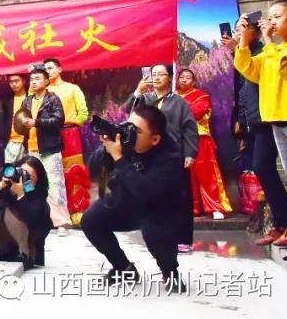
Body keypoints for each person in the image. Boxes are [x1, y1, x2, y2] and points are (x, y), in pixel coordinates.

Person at [81, 106, 187, 293]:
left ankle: (170, 272)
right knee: (91, 220)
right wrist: (107, 148)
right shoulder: (125, 141)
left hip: (160, 207)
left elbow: (146, 191)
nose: (128, 132)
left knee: (154, 231)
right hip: (127, 199)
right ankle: (124, 269)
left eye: (136, 130)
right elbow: (93, 169)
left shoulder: (170, 156)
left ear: (155, 139)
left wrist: (119, 158)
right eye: (127, 125)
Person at [231, 0, 287, 253]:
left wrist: (268, 41)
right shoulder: (271, 51)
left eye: (277, 16)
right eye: (270, 17)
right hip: (276, 120)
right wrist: (244, 41)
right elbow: (247, 68)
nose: (271, 21)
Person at [132, 63, 199, 253]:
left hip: (174, 155)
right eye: (154, 74)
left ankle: (183, 239)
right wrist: (137, 92)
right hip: (150, 155)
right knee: (153, 197)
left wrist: (190, 153)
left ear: (170, 78)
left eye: (161, 74)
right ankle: (158, 236)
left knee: (180, 199)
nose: (157, 77)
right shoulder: (146, 99)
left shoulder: (179, 102)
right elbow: (131, 115)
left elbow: (189, 129)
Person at [0, 155, 52, 270]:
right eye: (22, 172)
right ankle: (5, 252)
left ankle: (27, 253)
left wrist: (21, 195)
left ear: (38, 180)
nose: (24, 177)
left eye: (30, 176)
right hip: (6, 229)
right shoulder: (10, 171)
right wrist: (0, 185)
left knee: (15, 213)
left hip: (30, 232)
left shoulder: (38, 192)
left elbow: (33, 218)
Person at [176, 69, 232, 220]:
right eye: (182, 77)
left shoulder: (201, 96)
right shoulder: (172, 97)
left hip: (200, 138)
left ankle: (215, 207)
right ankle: (191, 207)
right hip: (180, 140)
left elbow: (197, 112)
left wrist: (176, 108)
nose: (184, 80)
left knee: (207, 174)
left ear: (193, 81)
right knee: (185, 177)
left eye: (188, 77)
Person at [21, 68, 71, 231]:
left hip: (50, 149)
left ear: (46, 81)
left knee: (55, 185)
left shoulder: (52, 99)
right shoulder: (26, 101)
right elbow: (21, 122)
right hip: (31, 149)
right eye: (32, 79)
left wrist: (36, 122)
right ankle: (34, 220)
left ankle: (61, 223)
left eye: (37, 78)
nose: (33, 82)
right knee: (30, 184)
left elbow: (58, 120)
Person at [44, 58, 91, 225]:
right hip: (48, 134)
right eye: (45, 69)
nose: (48, 71)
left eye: (50, 68)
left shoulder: (72, 88)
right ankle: (53, 215)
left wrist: (70, 123)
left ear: (59, 69)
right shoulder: (42, 91)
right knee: (51, 173)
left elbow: (83, 113)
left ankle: (77, 211)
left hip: (70, 133)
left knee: (74, 172)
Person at [231, 16, 264, 173]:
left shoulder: (262, 54)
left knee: (262, 166)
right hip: (247, 118)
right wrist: (239, 119)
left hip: (262, 119)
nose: (239, 33)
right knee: (254, 165)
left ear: (257, 33)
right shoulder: (238, 55)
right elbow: (240, 90)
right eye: (237, 30)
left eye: (244, 29)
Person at [2, 73, 29, 163]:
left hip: (29, 141)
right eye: (11, 82)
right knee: (10, 169)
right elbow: (5, 120)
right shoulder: (7, 100)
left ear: (23, 81)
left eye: (16, 81)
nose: (13, 84)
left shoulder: (31, 97)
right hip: (12, 141)